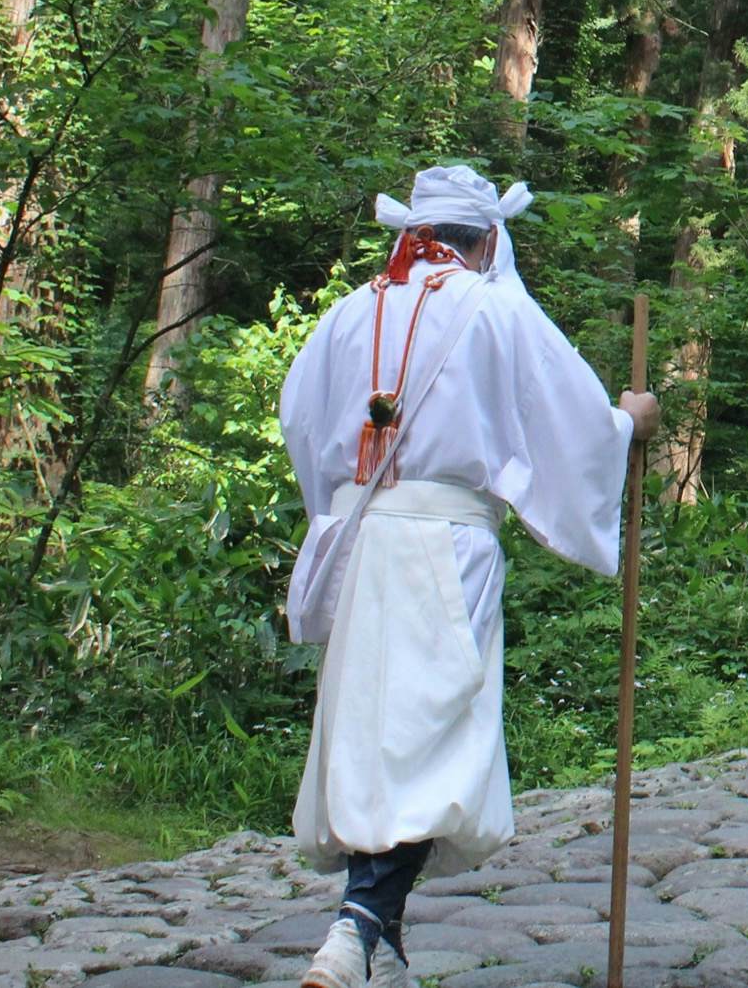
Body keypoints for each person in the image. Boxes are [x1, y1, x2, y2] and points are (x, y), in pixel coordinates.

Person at [276, 165, 659, 988]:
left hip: (364, 540)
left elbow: (302, 422)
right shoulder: (497, 310)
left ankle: (377, 949)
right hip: (446, 548)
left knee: (381, 745)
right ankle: (357, 929)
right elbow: (572, 419)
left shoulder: (352, 313)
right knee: (434, 747)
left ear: (414, 232)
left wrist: (335, 510)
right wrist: (630, 423)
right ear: (488, 238)